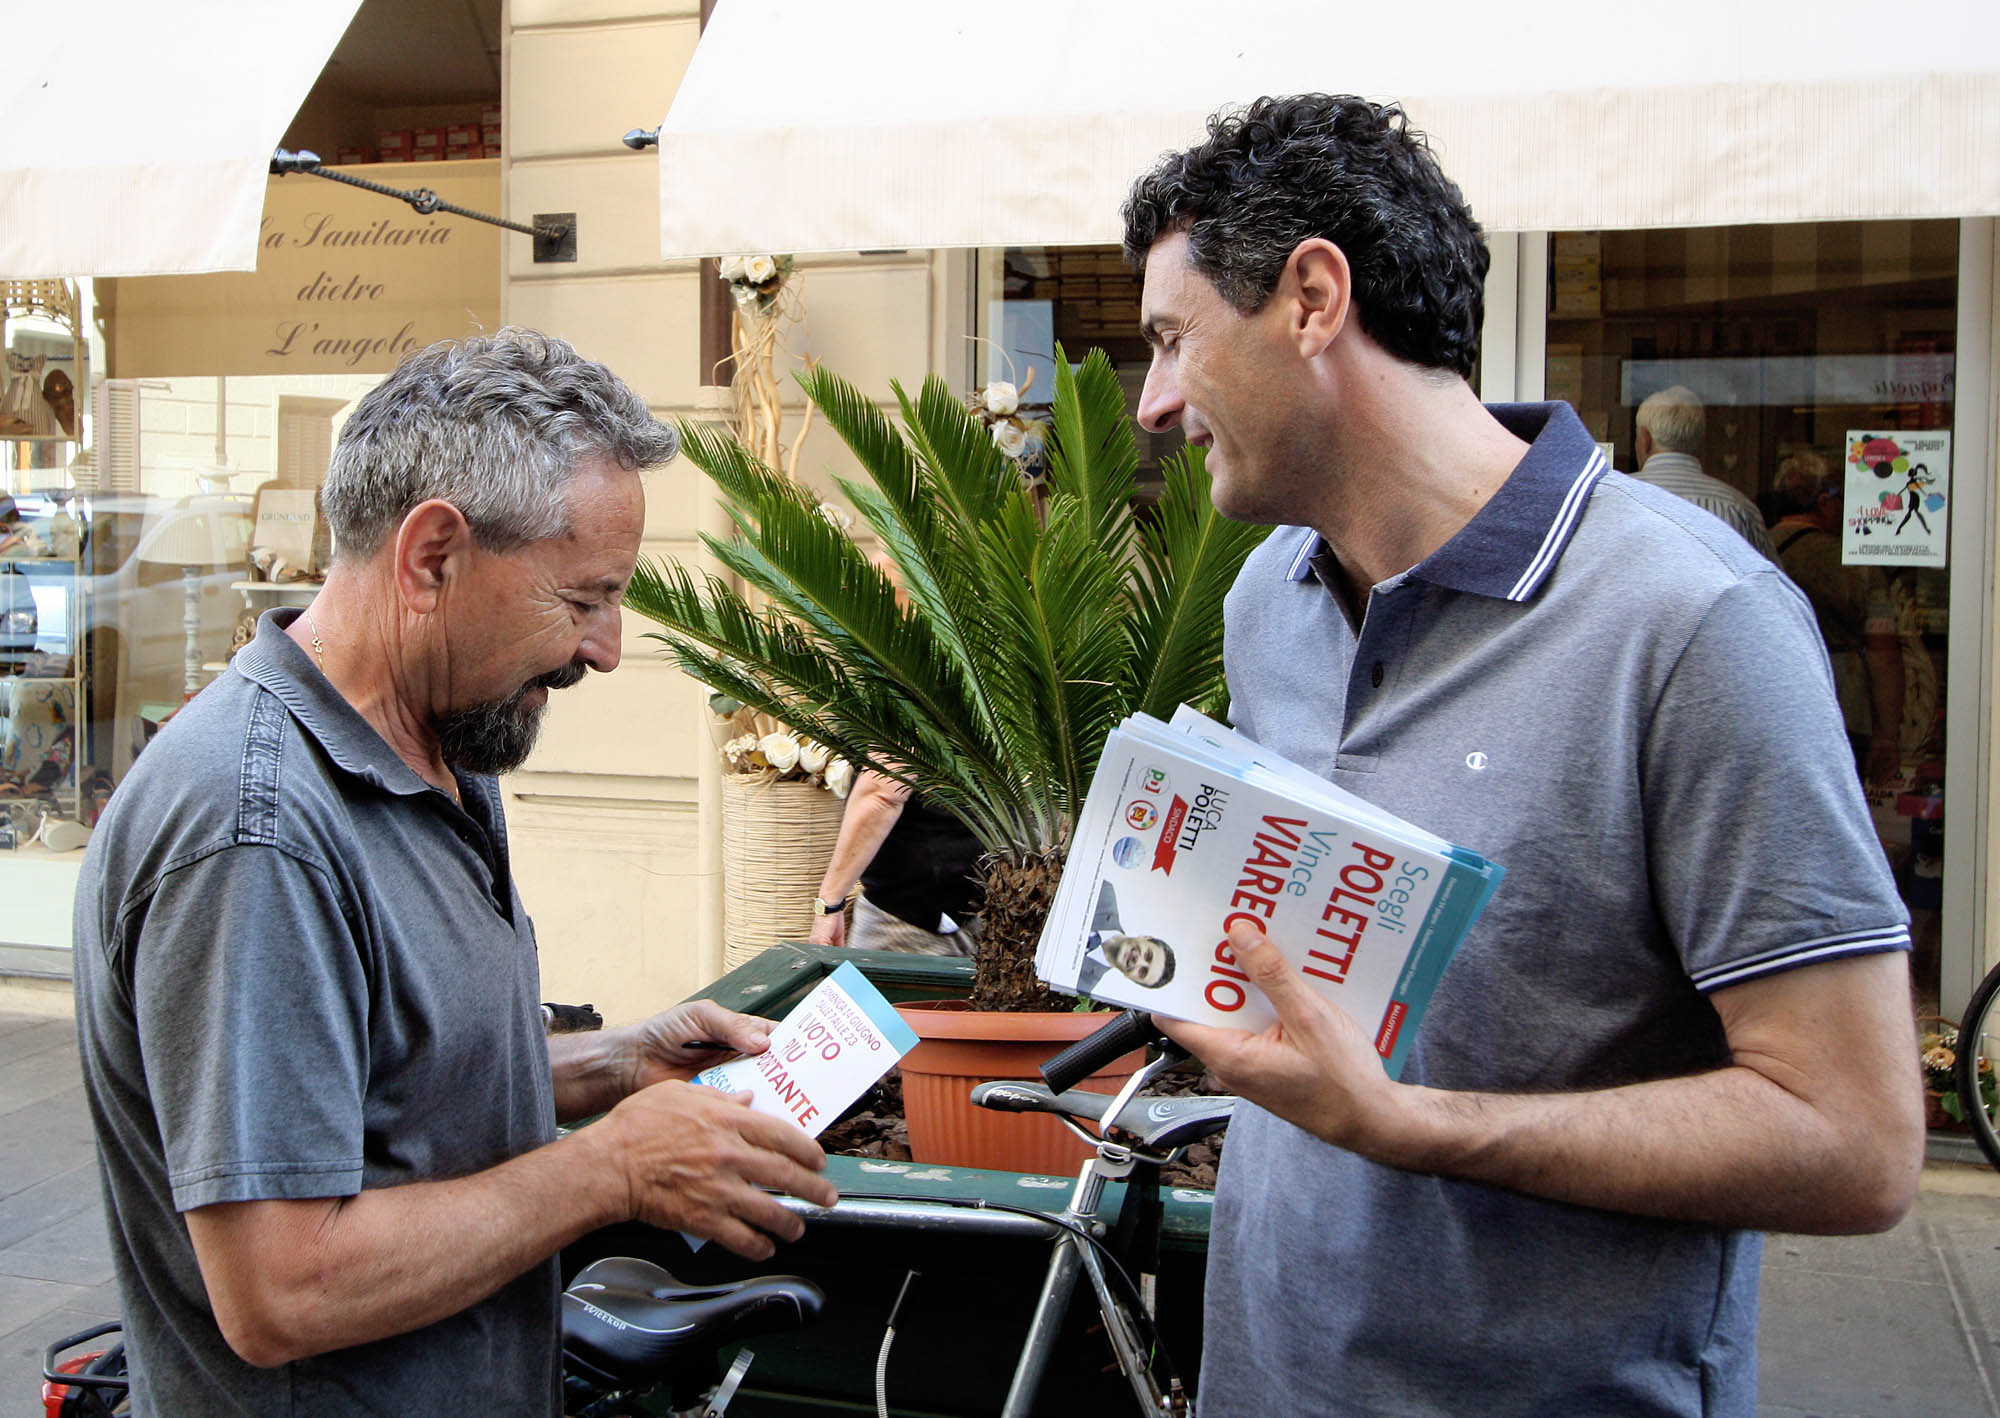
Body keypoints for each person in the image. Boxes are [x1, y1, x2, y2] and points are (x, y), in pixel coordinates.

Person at [1121, 95, 1922, 1418]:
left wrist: (1417, 1126)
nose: (1151, 403)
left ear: (1313, 297)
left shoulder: (1697, 623)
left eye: (1170, 340)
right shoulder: (1269, 596)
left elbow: (1857, 1140)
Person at [72, 329, 839, 1417]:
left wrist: (609, 1061)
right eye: (583, 599)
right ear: (431, 556)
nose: (606, 646)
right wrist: (608, 1169)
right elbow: (284, 1283)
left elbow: (375, 1076)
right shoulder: (259, 831)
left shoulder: (437, 750)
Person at [1770, 450, 1907, 789]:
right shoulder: (1857, 564)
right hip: (1845, 708)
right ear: (1825, 502)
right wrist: (1887, 737)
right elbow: (1883, 652)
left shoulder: (1750, 546)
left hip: (1772, 704)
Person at [1632, 384, 1781, 560]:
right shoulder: (1738, 508)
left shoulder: (1611, 499)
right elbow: (1768, 584)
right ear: (1699, 441)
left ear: (1645, 440)